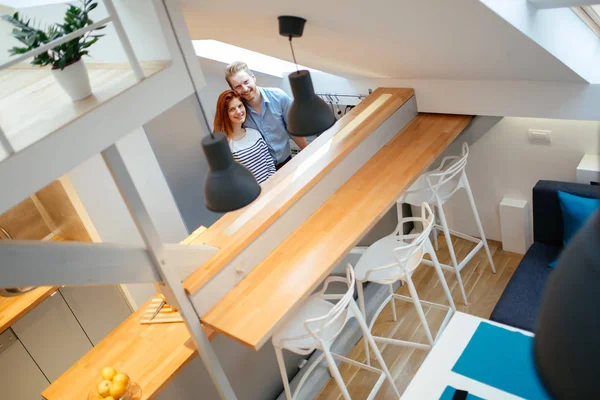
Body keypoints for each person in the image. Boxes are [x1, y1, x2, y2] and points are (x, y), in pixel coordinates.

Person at [225, 61, 309, 170]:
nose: (245, 89)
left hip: (286, 163)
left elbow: (294, 131)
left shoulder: (279, 97)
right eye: (238, 87)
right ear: (233, 90)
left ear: (253, 77)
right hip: (259, 172)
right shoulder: (238, 112)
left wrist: (309, 153)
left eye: (246, 82)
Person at [214, 90, 275, 184]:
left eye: (240, 106)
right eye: (232, 109)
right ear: (225, 114)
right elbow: (231, 181)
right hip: (251, 196)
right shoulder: (224, 145)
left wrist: (272, 185)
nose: (238, 111)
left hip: (272, 187)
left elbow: (269, 163)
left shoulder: (255, 134)